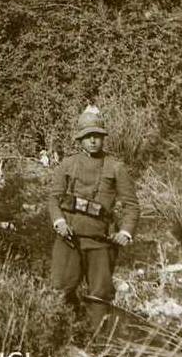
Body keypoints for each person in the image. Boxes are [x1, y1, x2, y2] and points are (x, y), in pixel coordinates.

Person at [48, 106, 139, 331]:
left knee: (100, 296)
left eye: (97, 136)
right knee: (60, 290)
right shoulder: (67, 165)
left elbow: (132, 206)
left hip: (100, 243)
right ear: (80, 139)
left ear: (103, 138)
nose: (93, 141)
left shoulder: (116, 167)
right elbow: (53, 199)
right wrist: (59, 222)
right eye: (88, 136)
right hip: (69, 239)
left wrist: (125, 232)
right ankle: (61, 337)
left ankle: (99, 344)